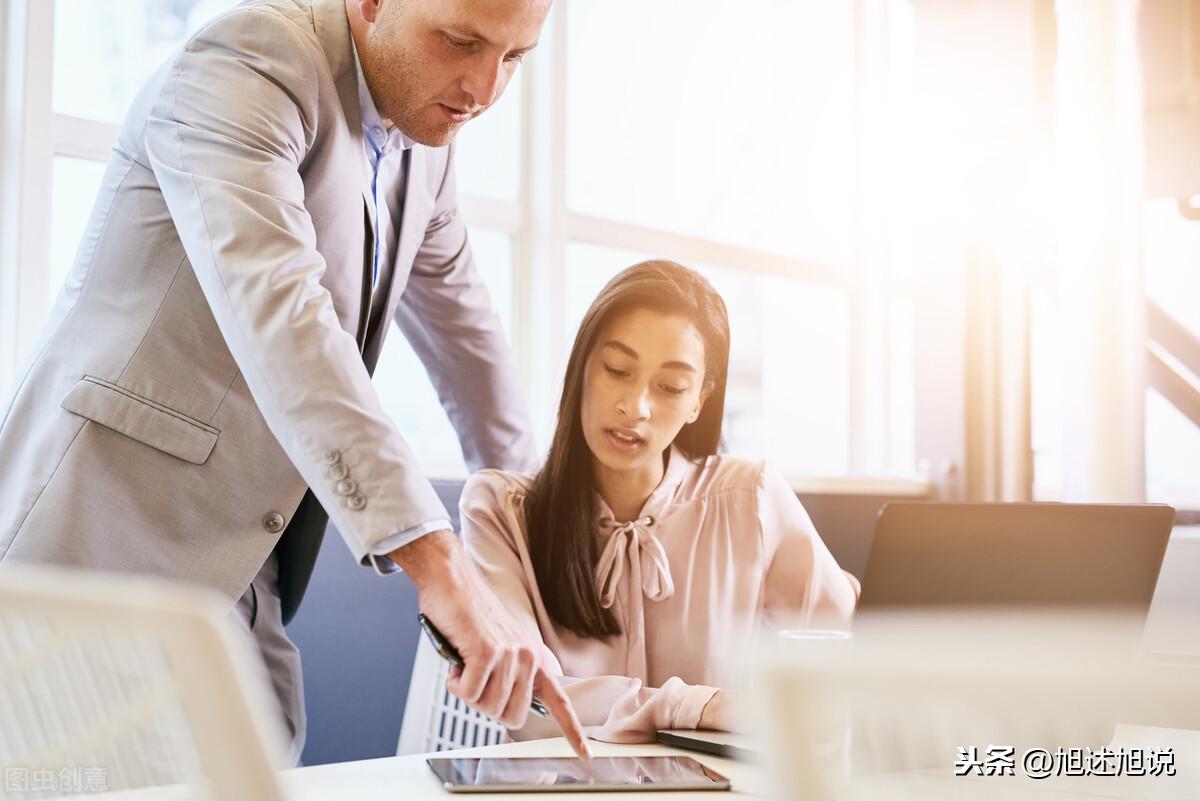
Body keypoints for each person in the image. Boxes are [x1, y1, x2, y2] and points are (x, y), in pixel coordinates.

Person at [0, 0, 588, 760]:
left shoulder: (423, 145)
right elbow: (283, 314)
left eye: (514, 58)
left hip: (245, 573)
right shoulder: (249, 62)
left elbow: (471, 347)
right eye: (461, 40)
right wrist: (439, 562)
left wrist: (537, 538)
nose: (483, 88)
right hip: (99, 548)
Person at [460, 260, 860, 743]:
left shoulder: (749, 497)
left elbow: (846, 639)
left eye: (670, 387)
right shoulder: (501, 511)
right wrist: (701, 705)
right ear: (583, 366)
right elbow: (534, 695)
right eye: (617, 370)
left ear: (699, 401)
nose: (637, 407)